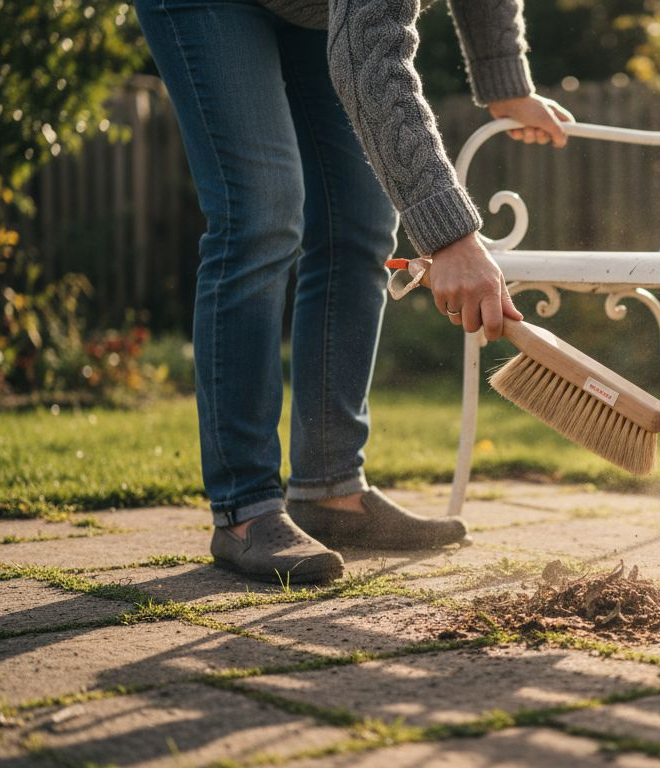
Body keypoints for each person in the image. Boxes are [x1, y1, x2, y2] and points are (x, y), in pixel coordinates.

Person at [134, 0, 573, 584]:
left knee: (362, 222)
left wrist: (504, 76)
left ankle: (329, 490)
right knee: (262, 213)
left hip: (316, 13)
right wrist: (452, 236)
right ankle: (246, 509)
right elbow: (370, 56)